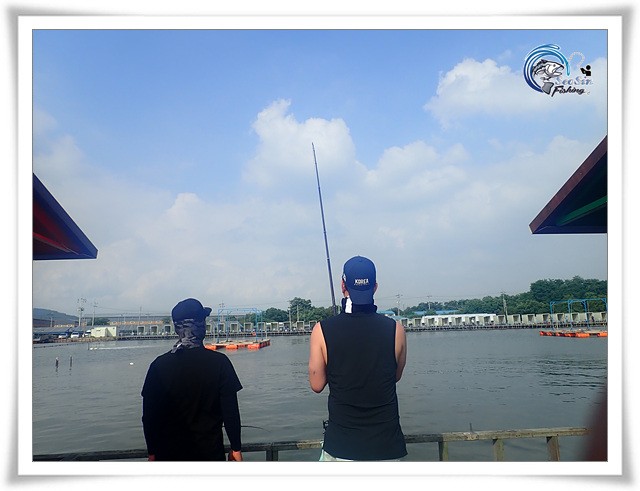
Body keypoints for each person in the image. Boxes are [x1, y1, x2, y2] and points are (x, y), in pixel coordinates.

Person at [308, 255, 408, 461]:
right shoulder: (396, 330)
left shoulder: (322, 330)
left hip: (342, 446)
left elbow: (317, 385)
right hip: (387, 446)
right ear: (375, 287)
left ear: (343, 286)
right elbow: (394, 376)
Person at [141, 298, 243, 461]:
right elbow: (230, 412)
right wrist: (236, 448)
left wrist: (152, 451)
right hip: (210, 456)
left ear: (177, 328)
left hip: (168, 456)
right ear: (200, 325)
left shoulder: (158, 366)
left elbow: (149, 416)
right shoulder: (220, 363)